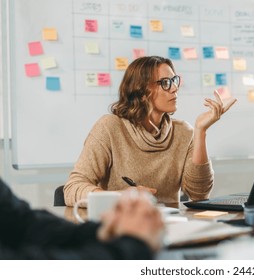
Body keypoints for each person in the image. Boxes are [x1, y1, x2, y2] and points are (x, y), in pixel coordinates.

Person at [64, 56, 237, 207]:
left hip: (168, 227)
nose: (175, 88)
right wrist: (120, 197)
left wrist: (201, 131)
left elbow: (199, 194)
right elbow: (73, 188)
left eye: (174, 80)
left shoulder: (183, 131)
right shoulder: (110, 127)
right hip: (122, 227)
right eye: (165, 83)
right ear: (141, 91)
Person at [0, 177, 164, 259]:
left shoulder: (179, 130)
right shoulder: (108, 127)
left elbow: (22, 222)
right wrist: (131, 246)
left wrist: (102, 230)